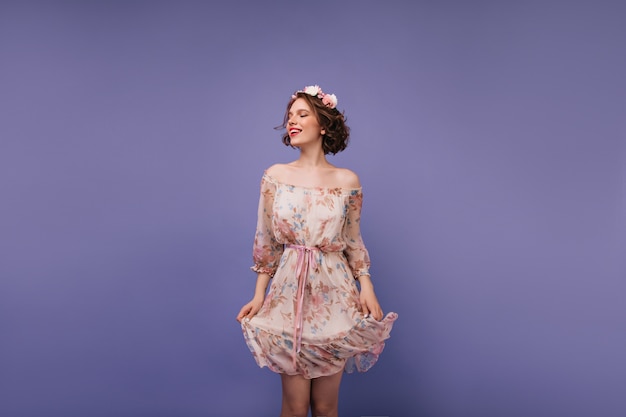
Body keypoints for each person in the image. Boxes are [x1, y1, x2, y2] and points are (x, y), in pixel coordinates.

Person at [236, 85, 397, 417]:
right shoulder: (275, 177)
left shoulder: (347, 180)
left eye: (302, 114)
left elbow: (352, 240)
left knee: (325, 407)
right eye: (289, 115)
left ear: (323, 125)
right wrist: (259, 294)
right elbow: (266, 239)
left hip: (333, 297)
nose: (292, 121)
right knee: (294, 407)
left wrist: (366, 285)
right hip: (287, 295)